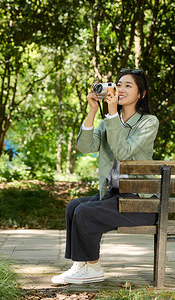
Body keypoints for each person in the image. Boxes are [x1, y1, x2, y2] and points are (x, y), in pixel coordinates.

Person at [51, 68, 159, 285]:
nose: (120, 89)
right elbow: (84, 146)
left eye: (128, 85)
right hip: (116, 195)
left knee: (85, 212)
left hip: (142, 202)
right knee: (73, 207)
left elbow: (123, 152)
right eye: (119, 84)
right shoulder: (109, 121)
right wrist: (93, 111)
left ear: (141, 94)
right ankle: (80, 265)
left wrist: (110, 114)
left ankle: (93, 267)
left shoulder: (149, 122)